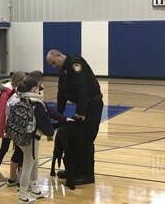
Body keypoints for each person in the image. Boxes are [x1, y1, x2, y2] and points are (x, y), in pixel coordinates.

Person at [46, 49, 103, 185]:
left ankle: (87, 175)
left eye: (54, 63)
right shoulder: (64, 69)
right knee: (77, 140)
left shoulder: (75, 64)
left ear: (59, 56)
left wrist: (80, 112)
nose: (54, 66)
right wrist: (59, 115)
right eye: (51, 65)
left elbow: (81, 89)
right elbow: (62, 93)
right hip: (84, 105)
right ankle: (75, 170)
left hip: (91, 106)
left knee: (86, 140)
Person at [6, 77, 54, 203]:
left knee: (34, 160)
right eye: (39, 87)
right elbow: (46, 126)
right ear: (34, 89)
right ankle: (22, 194)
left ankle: (34, 188)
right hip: (31, 138)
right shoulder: (36, 103)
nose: (40, 90)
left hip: (19, 136)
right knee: (28, 164)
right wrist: (51, 132)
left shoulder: (19, 98)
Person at [0, 71, 26, 182]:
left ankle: (17, 171)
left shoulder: (12, 90)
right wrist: (4, 128)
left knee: (11, 148)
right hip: (7, 126)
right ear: (18, 81)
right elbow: (2, 112)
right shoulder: (7, 92)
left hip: (11, 125)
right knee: (5, 148)